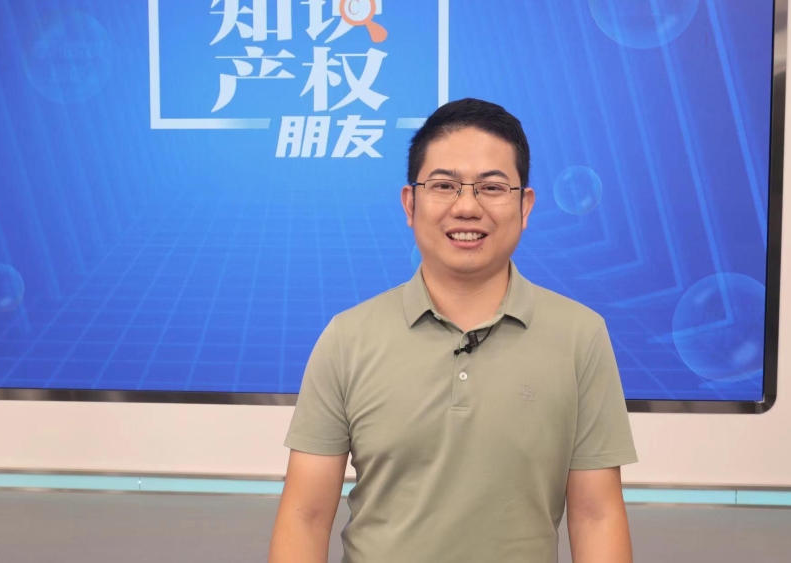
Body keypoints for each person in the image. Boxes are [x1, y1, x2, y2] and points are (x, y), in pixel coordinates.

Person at [268, 98, 637, 563]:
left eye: (492, 187)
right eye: (443, 185)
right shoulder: (348, 339)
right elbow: (305, 517)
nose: (466, 207)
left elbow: (596, 516)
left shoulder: (580, 336)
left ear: (525, 205)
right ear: (410, 203)